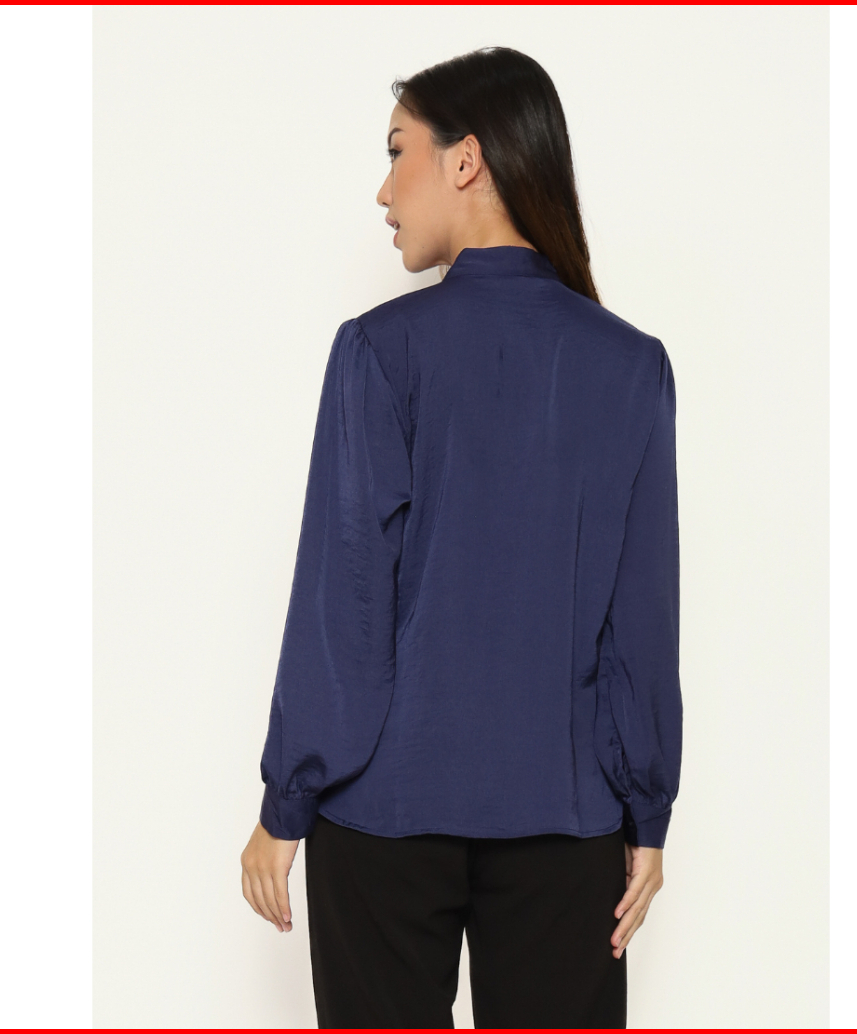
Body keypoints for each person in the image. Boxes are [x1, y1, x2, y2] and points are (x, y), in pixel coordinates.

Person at [240, 45, 682, 1029]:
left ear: (466, 159)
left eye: (397, 150)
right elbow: (640, 621)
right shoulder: (631, 368)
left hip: (381, 818)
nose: (383, 189)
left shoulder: (378, 351)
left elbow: (344, 609)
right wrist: (645, 811)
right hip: (566, 819)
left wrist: (286, 801)